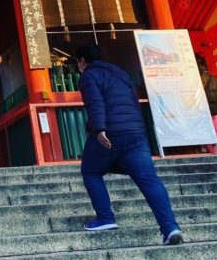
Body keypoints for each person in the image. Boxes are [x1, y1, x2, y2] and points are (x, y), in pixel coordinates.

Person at [76, 43, 183, 245]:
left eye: (78, 63)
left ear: (82, 61)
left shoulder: (89, 75)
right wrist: (139, 129)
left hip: (112, 131)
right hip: (135, 133)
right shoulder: (122, 74)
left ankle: (105, 218)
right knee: (149, 179)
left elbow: (95, 102)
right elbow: (134, 103)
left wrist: (99, 129)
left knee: (90, 170)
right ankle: (170, 227)